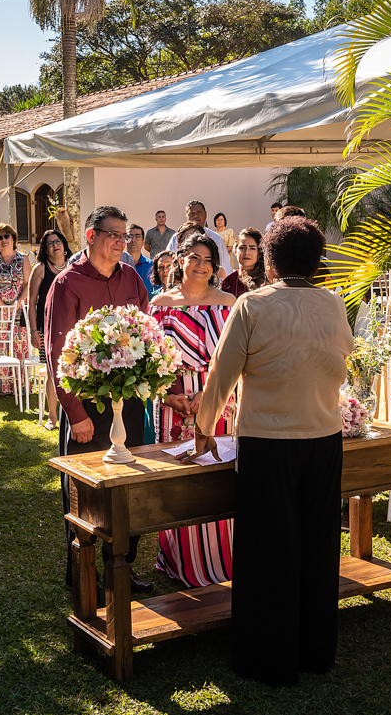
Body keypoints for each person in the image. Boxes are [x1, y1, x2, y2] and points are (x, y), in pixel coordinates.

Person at [193, 216, 354, 686]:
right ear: (317, 263)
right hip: (323, 438)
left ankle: (267, 658)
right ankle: (315, 650)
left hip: (268, 442)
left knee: (268, 548)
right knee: (318, 544)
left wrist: (204, 428)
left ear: (269, 262)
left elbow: (221, 374)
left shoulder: (252, 305)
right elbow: (343, 359)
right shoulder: (333, 303)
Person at [45, 205, 153, 593]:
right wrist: (75, 414)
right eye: (114, 235)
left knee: (128, 488)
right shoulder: (67, 283)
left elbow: (147, 332)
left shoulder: (132, 278)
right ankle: (83, 576)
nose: (122, 242)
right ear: (91, 236)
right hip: (88, 408)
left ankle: (121, 568)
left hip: (130, 403)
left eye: (126, 235)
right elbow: (57, 352)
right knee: (84, 493)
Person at [150, 234, 237, 588]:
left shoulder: (229, 303)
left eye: (208, 260)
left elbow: (235, 357)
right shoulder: (160, 304)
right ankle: (179, 557)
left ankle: (223, 556)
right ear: (180, 260)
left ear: (215, 267)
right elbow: (148, 357)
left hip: (217, 399)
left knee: (215, 474)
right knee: (180, 476)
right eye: (194, 258)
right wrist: (167, 395)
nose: (201, 265)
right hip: (171, 403)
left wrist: (208, 395)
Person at [26, 229, 72, 430]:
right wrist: (33, 331)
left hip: (72, 327)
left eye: (58, 241)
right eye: (50, 243)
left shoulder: (74, 264)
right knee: (52, 372)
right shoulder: (40, 269)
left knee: (75, 369)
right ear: (45, 249)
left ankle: (72, 414)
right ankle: (52, 416)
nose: (55, 245)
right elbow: (31, 302)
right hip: (48, 328)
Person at [0, 223, 32, 396]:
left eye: (6, 236)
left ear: (13, 238)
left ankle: (20, 386)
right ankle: (1, 387)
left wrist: (18, 303)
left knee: (20, 345)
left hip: (19, 309)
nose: (3, 240)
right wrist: (3, 305)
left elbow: (28, 284)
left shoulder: (23, 258)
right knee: (0, 345)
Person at [166, 200, 229, 277]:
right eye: (192, 214)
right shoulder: (176, 238)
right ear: (186, 217)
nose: (195, 216)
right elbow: (168, 262)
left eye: (199, 212)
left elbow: (225, 266)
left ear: (205, 214)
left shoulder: (216, 239)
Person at [222, 227, 266, 297]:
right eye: (242, 248)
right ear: (235, 251)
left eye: (252, 248)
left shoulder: (267, 280)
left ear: (259, 253)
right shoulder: (228, 282)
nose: (246, 252)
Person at [125, 224, 153, 290]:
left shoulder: (152, 266)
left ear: (143, 241)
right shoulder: (115, 264)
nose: (133, 240)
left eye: (137, 237)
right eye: (129, 237)